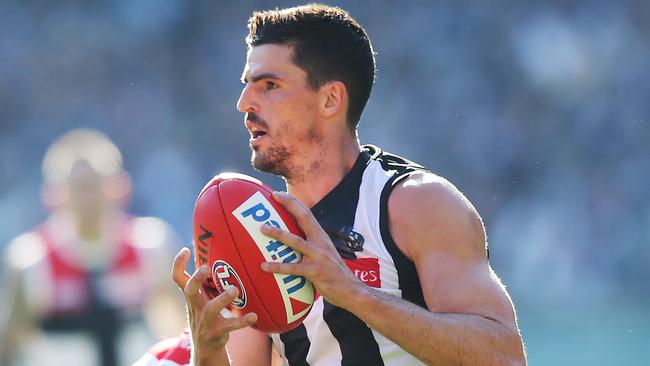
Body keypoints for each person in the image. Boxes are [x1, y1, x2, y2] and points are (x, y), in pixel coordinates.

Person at [170, 4, 526, 365]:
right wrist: (208, 351)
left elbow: (504, 356)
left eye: (270, 85)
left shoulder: (415, 203)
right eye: (247, 85)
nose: (244, 103)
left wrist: (355, 293)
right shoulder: (250, 231)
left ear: (330, 99)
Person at [1, 129, 184, 366]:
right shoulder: (30, 261)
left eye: (94, 185)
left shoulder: (152, 246)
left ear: (120, 188)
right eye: (78, 187)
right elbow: (7, 349)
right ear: (52, 195)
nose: (87, 198)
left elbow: (188, 329)